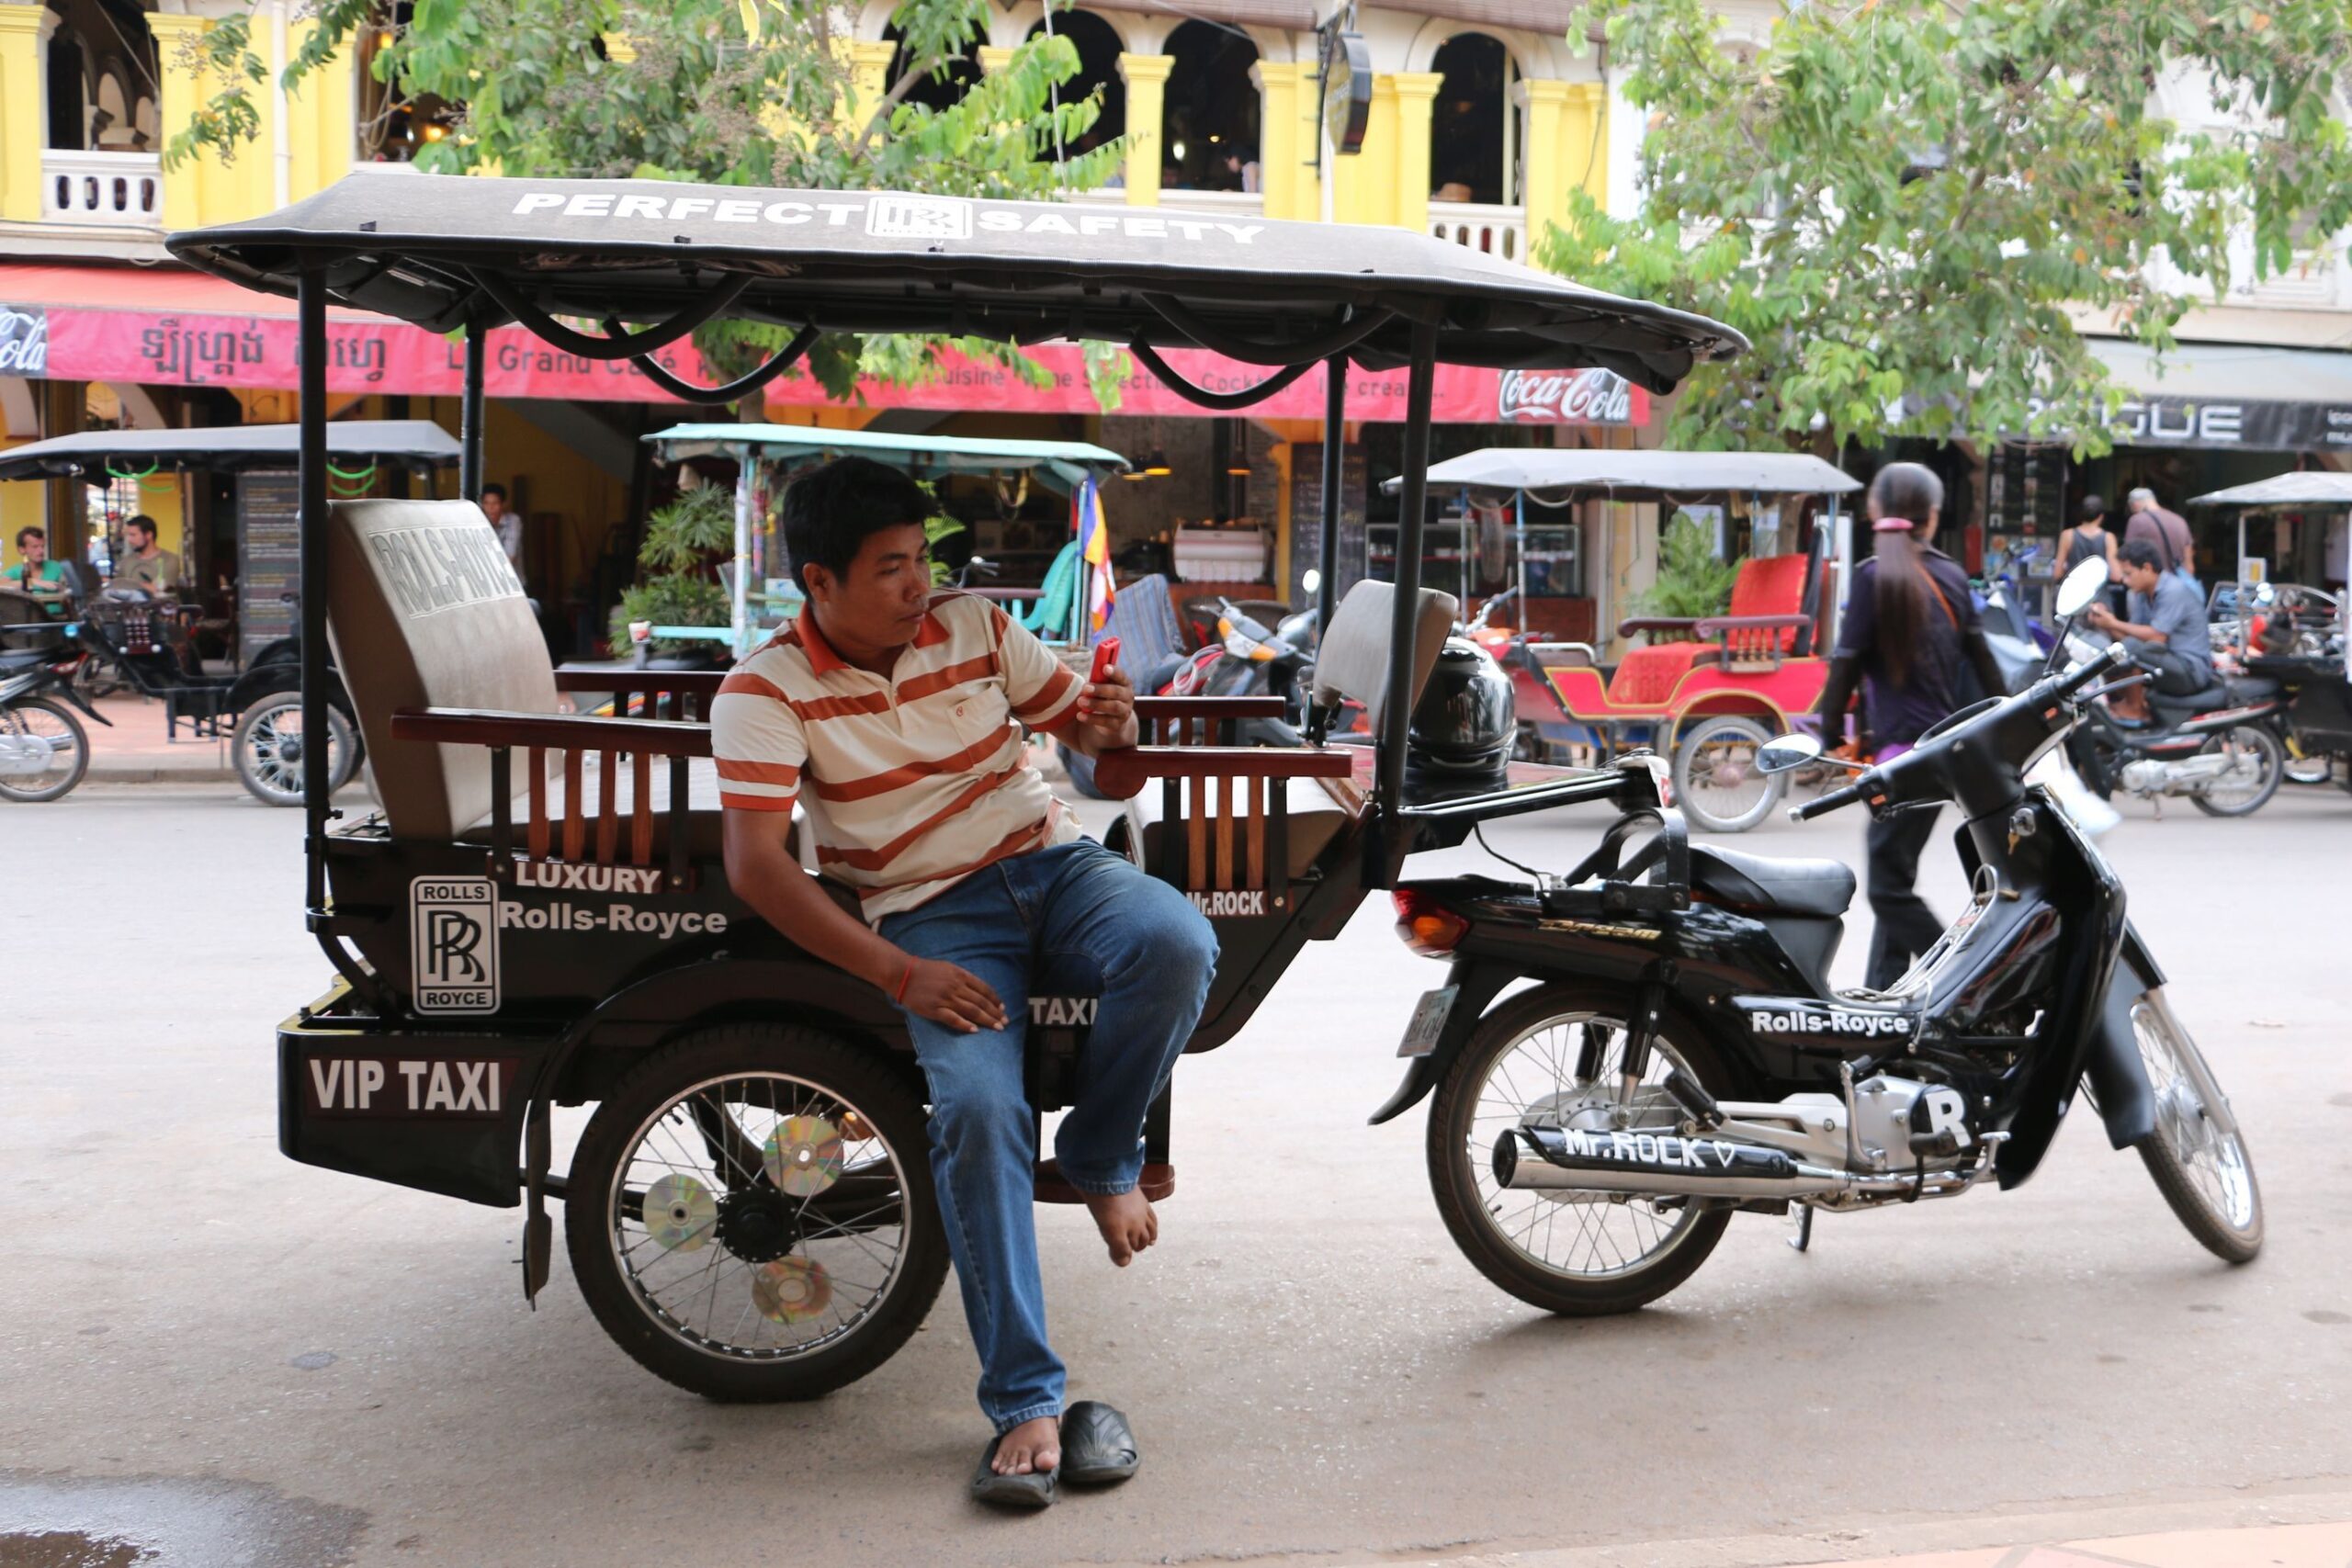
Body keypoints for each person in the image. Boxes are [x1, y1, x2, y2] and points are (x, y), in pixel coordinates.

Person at [711, 457, 1217, 1508]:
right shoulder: (763, 691)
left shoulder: (975, 626)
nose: (919, 586)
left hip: (1053, 864)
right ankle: (1025, 1398)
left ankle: (1096, 1151)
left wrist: (1113, 732)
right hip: (930, 916)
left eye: (921, 561)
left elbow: (1091, 743)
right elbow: (758, 866)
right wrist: (903, 972)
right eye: (891, 568)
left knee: (1177, 941)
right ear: (819, 581)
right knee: (982, 1112)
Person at [1812, 462, 2007, 991]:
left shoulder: (1875, 576)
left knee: (1886, 891)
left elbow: (1845, 662)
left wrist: (1828, 735)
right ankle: (1882, 993)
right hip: (1939, 757)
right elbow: (1987, 666)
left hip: (1898, 763)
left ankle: (1974, 977)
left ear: (1875, 511)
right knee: (1895, 879)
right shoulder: (1949, 575)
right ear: (1934, 515)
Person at [2086, 538, 2214, 717]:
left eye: (2128, 574)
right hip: (2165, 662)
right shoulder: (2142, 593)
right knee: (2112, 657)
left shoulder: (2172, 591)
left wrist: (2114, 622)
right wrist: (2105, 623)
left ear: (2147, 568)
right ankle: (2130, 703)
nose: (2124, 580)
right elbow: (2130, 636)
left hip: (2189, 670)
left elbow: (2157, 637)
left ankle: (2136, 708)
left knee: (2133, 650)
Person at [2123, 486, 2196, 585]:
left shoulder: (2137, 520)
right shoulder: (2179, 520)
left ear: (2135, 504)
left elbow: (2128, 554)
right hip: (2179, 584)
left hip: (2152, 586)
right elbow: (2189, 561)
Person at [2062, 495, 2121, 611]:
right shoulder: (2108, 538)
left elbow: (2057, 573)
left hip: (2073, 600)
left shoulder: (2067, 535)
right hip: (2100, 601)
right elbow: (2116, 575)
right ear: (2101, 516)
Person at [2, 526, 70, 618]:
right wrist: (32, 581)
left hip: (56, 621)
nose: (41, 551)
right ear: (22, 549)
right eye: (35, 547)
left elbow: (69, 592)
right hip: (27, 623)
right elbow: (1, 586)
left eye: (42, 546)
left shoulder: (56, 567)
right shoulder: (16, 570)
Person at [114, 514, 181, 597]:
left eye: (133, 535)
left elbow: (160, 590)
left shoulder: (169, 559)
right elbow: (116, 587)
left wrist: (130, 584)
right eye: (128, 535)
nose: (129, 540)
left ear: (149, 535)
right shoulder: (127, 561)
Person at [481, 483, 524, 579]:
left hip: (514, 581)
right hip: (490, 580)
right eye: (486, 503)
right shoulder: (480, 523)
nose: (490, 508)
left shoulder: (513, 521)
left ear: (504, 504)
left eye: (495, 503)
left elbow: (510, 555)